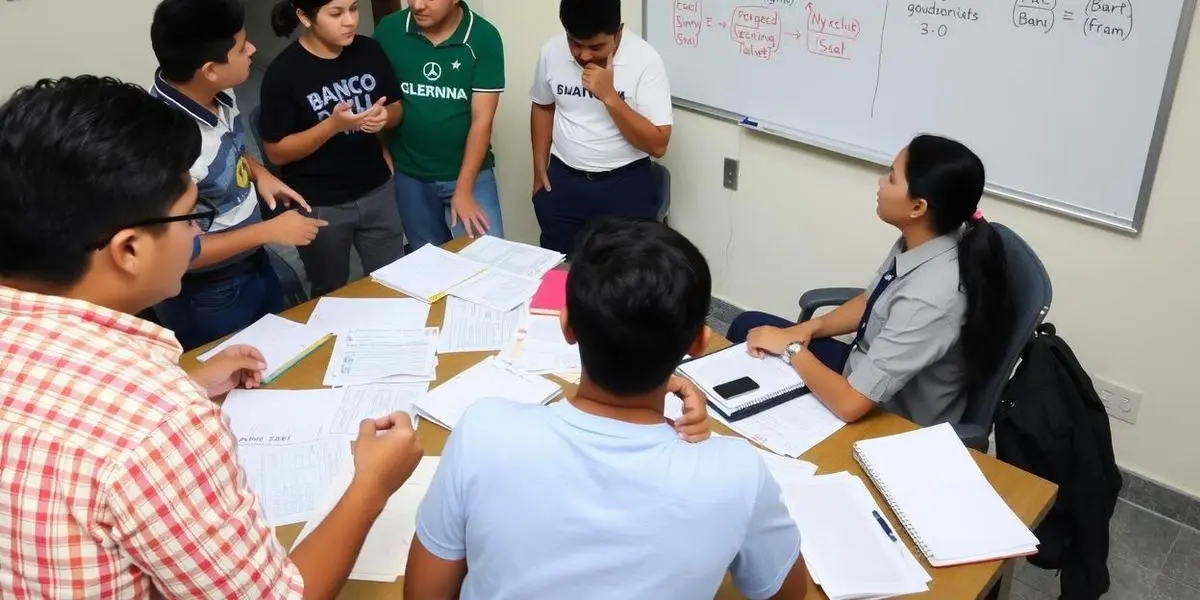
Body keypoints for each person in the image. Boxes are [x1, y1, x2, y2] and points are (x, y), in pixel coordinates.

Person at [0, 75, 424, 599]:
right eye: (192, 218)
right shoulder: (160, 425)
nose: (197, 233)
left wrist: (191, 382)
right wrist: (371, 484)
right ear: (129, 249)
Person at [404, 217, 809, 600]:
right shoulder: (736, 472)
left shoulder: (484, 431)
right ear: (700, 343)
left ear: (566, 327)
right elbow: (787, 592)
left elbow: (424, 593)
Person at [728, 135, 1014, 427]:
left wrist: (791, 350)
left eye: (891, 178)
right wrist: (807, 328)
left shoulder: (931, 297)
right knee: (747, 326)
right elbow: (871, 300)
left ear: (918, 207)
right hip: (860, 368)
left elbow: (851, 404)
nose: (880, 182)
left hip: (888, 416)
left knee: (760, 371)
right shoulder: (926, 238)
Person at [150, 0, 328, 349]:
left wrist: (260, 174)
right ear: (210, 69)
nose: (253, 49)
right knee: (234, 379)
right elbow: (181, 250)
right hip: (209, 292)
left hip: (252, 257)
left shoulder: (215, 92)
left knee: (278, 351)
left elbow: (231, 146)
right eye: (241, 47)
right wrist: (270, 230)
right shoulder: (165, 145)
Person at [261, 0, 406, 298]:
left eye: (354, 8)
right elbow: (276, 151)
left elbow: (396, 108)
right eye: (337, 14)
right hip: (320, 203)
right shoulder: (283, 73)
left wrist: (385, 117)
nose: (350, 21)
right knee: (331, 292)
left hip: (376, 190)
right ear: (305, 16)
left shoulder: (369, 51)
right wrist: (332, 126)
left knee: (394, 281)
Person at [529, 0, 673, 255]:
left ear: (618, 32)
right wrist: (539, 167)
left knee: (624, 278)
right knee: (559, 271)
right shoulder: (551, 51)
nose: (584, 55)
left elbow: (658, 144)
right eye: (575, 43)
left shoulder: (645, 60)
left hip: (625, 184)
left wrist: (610, 98)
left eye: (596, 47)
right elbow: (543, 105)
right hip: (563, 182)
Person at [375, 0, 506, 249]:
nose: (417, 5)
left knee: (489, 261)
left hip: (469, 174)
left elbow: (482, 120)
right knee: (429, 268)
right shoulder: (389, 30)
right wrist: (381, 147)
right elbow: (378, 97)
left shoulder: (483, 37)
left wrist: (464, 189)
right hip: (410, 175)